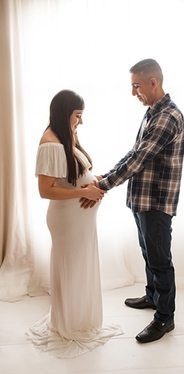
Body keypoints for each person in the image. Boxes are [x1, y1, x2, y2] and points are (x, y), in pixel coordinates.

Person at [82, 58, 184, 343]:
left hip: (156, 202)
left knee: (160, 260)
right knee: (148, 252)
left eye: (136, 86)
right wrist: (108, 174)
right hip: (142, 200)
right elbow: (134, 151)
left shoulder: (167, 116)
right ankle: (153, 296)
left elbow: (139, 160)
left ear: (153, 83)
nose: (133, 93)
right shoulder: (153, 111)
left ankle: (165, 318)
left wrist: (103, 185)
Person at [27, 89, 123, 358]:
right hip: (67, 221)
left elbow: (73, 175)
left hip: (79, 221)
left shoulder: (65, 137)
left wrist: (94, 182)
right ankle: (69, 323)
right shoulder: (51, 144)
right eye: (78, 116)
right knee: (71, 270)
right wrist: (84, 192)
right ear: (64, 113)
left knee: (80, 269)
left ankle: (80, 318)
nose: (80, 121)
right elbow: (45, 190)